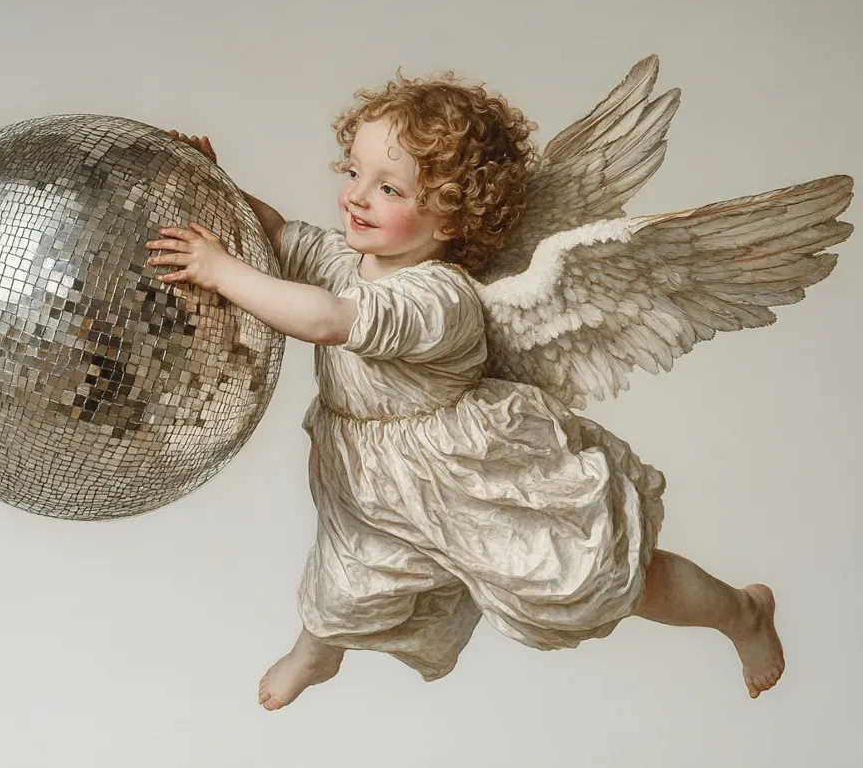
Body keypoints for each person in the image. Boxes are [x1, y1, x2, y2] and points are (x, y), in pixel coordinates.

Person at [145, 71, 784, 711]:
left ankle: (741, 613)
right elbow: (281, 235)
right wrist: (220, 185)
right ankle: (318, 652)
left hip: (469, 478)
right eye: (353, 173)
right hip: (373, 474)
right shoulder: (348, 260)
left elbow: (324, 320)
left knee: (592, 577)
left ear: (450, 218)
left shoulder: (439, 298)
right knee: (350, 577)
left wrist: (218, 268)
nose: (356, 199)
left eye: (388, 188)